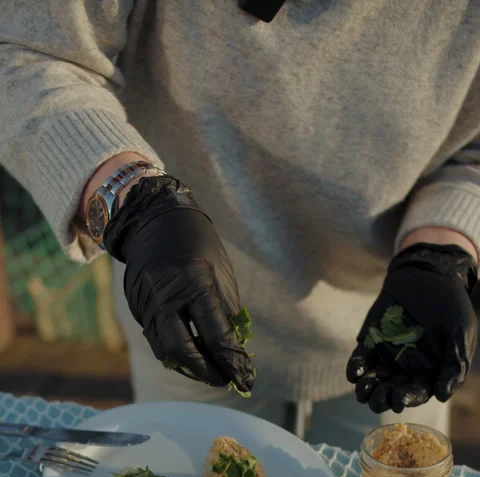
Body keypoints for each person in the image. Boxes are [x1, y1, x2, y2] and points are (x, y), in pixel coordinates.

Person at [1, 1, 479, 442]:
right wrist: (135, 204)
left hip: (395, 340)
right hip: (180, 312)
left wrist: (440, 252)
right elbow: (27, 52)